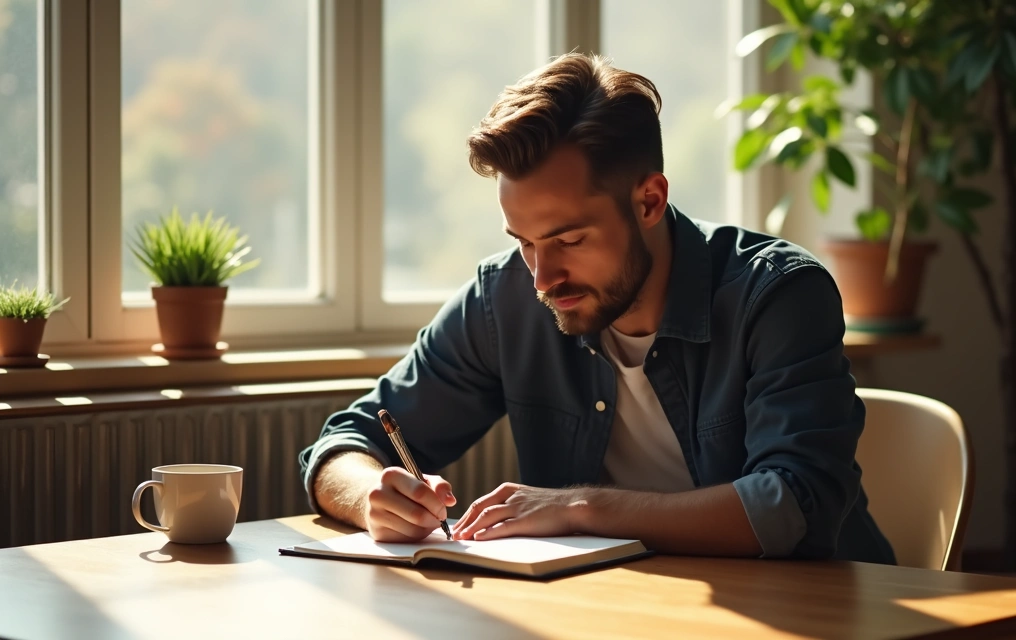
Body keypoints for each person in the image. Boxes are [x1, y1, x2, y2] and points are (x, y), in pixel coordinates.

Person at [298, 52, 895, 563]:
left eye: (568, 240)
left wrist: (583, 508)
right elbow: (344, 442)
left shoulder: (776, 295)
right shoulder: (504, 300)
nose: (542, 277)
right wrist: (372, 494)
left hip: (810, 612)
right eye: (524, 242)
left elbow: (793, 506)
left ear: (650, 201)